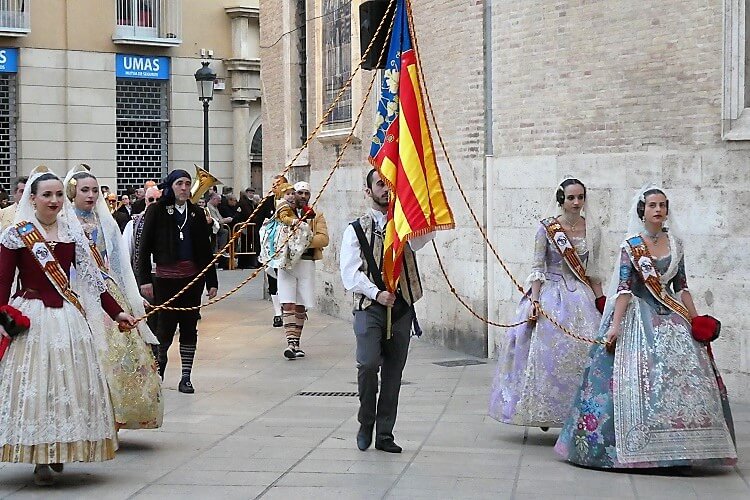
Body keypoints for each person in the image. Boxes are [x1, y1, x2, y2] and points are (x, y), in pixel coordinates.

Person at [555, 185, 737, 469]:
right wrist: (614, 327)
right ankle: (632, 446)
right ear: (642, 210)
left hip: (672, 318)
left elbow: (682, 287)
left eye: (662, 205)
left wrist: (696, 318)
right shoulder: (632, 246)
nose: (658, 210)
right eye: (652, 205)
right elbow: (625, 290)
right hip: (638, 318)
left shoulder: (676, 243)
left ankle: (681, 447)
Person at [0, 168, 136, 485]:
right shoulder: (17, 235)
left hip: (67, 319)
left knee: (68, 386)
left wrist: (117, 314)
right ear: (32, 199)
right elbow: (3, 282)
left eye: (59, 194)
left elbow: (92, 282)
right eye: (47, 195)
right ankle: (40, 460)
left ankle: (61, 447)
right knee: (37, 387)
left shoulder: (72, 234)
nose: (54, 200)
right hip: (31, 319)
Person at [488, 178, 605, 430]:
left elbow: (593, 271)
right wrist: (535, 300)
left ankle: (574, 411)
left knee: (584, 351)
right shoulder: (547, 228)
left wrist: (600, 301)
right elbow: (537, 266)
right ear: (561, 199)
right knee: (545, 352)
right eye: (571, 198)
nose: (576, 202)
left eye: (580, 197)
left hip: (580, 296)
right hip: (551, 293)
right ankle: (543, 408)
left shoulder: (592, 230)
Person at [64, 166, 163, 431]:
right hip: (77, 293)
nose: (91, 195)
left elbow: (118, 264)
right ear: (72, 192)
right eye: (85, 190)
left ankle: (116, 416)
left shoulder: (105, 222)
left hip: (106, 290)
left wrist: (131, 295)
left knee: (120, 356)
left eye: (95, 190)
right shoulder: (65, 223)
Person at [340, 169, 431, 453]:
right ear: (368, 192)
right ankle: (366, 421)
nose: (385, 189)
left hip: (401, 307)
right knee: (368, 365)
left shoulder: (404, 225)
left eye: (389, 183)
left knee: (394, 373)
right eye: (380, 184)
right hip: (370, 307)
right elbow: (349, 273)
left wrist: (417, 207)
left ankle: (385, 433)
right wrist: (376, 293)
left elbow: (421, 240)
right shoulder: (355, 229)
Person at [137, 169, 218, 394]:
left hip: (191, 279)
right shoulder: (156, 211)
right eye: (179, 183)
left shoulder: (196, 213)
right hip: (165, 278)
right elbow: (143, 250)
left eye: (187, 183)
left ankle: (186, 377)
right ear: (171, 186)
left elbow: (205, 250)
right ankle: (159, 369)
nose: (183, 188)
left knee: (190, 327)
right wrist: (144, 280)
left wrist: (212, 280)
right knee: (164, 328)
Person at [277, 181, 328, 359]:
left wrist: (302, 240)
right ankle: (290, 343)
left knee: (301, 305)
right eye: (300, 193)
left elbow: (323, 239)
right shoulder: (283, 212)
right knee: (287, 302)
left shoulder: (316, 215)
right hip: (287, 263)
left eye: (306, 193)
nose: (303, 196)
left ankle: (296, 342)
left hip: (306, 261)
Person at [123, 185, 162, 345]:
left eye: (158, 200)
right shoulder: (133, 224)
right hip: (142, 278)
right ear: (144, 201)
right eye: (150, 200)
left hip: (165, 277)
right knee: (145, 323)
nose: (154, 203)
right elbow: (125, 256)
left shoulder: (171, 222)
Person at [257, 174, 288, 327]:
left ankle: (288, 308)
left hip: (286, 248)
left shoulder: (290, 202)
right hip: (270, 248)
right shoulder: (267, 202)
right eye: (273, 184)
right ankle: (277, 313)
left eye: (278, 184)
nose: (275, 186)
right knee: (272, 280)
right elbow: (258, 223)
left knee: (286, 279)